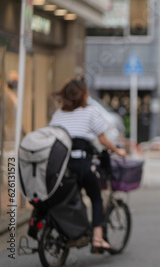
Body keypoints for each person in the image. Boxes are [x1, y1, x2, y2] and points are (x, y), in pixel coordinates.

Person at [50, 77, 126, 253]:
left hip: (62, 167)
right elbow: (103, 139)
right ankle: (98, 239)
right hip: (82, 164)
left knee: (69, 198)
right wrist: (117, 150)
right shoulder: (90, 112)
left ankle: (69, 233)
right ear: (82, 95)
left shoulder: (58, 115)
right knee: (96, 198)